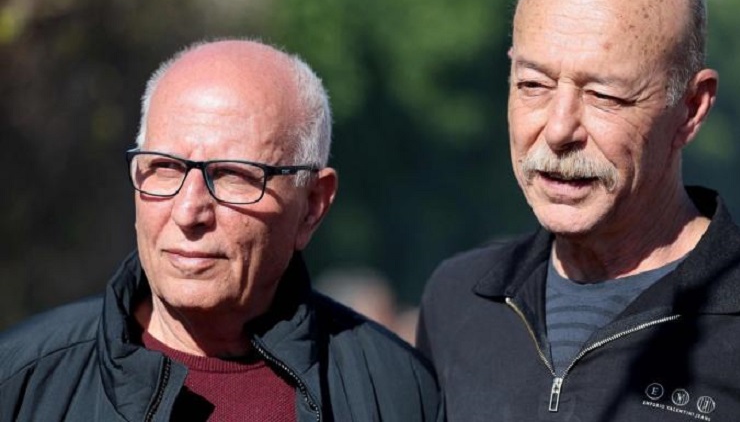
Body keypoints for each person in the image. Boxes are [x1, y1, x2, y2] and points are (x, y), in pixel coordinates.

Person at [417, 0, 740, 420]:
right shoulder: (458, 301)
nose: (559, 129)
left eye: (604, 95)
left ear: (691, 108)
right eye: (533, 85)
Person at [0, 39, 440, 421]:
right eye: (165, 168)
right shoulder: (22, 380)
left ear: (311, 206)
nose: (188, 211)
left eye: (232, 175)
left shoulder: (396, 393)